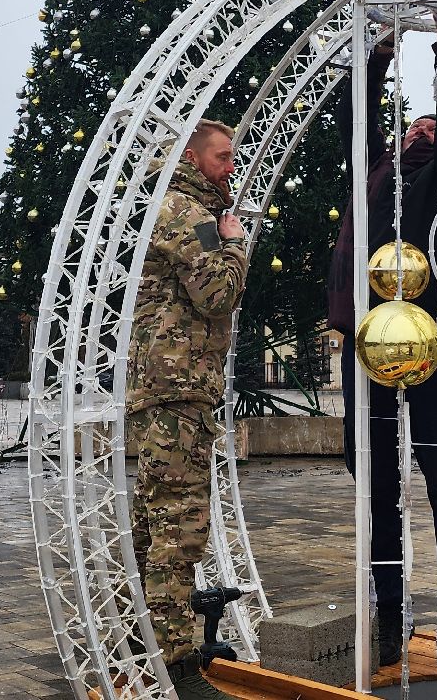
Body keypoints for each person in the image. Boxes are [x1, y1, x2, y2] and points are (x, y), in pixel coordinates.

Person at [326, 25, 437, 666]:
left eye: (428, 124)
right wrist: (378, 55)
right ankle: (390, 620)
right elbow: (356, 121)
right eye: (411, 125)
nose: (417, 129)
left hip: (430, 355)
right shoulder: (375, 180)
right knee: (378, 489)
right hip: (369, 350)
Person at [127, 118, 250, 700]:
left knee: (154, 522)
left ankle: (139, 639)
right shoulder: (190, 214)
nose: (231, 165)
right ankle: (175, 664)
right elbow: (216, 294)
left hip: (167, 389)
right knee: (179, 525)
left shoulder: (174, 205)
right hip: (176, 391)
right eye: (223, 157)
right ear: (195, 159)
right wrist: (232, 242)